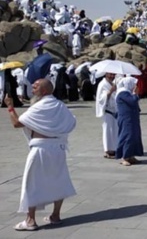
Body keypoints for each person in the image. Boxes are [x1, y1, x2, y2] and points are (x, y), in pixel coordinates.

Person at [4, 79, 77, 231]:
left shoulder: (40, 106)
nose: (32, 88)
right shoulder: (60, 105)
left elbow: (17, 123)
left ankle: (30, 220)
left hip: (41, 149)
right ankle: (55, 216)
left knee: (32, 183)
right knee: (59, 180)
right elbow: (72, 122)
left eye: (36, 86)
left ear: (44, 91)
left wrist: (10, 107)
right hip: (58, 148)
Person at [115, 77, 144, 166]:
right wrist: (135, 93)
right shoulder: (123, 93)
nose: (135, 86)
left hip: (132, 118)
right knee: (127, 136)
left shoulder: (127, 93)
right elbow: (132, 101)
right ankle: (124, 156)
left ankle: (130, 155)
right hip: (126, 119)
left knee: (134, 136)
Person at [95, 72, 118, 158]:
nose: (112, 76)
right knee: (107, 131)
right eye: (110, 74)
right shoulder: (102, 84)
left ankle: (114, 148)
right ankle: (107, 150)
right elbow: (101, 99)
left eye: (113, 75)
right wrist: (111, 91)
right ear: (106, 74)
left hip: (114, 110)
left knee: (114, 130)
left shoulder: (112, 83)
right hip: (107, 110)